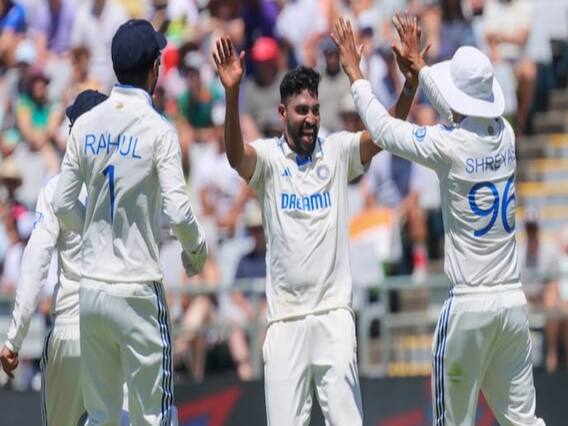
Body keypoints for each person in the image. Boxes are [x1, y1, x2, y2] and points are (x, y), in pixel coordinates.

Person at [332, 13, 545, 426]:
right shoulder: (506, 135)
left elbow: (383, 130)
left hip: (469, 307)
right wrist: (420, 69)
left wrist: (355, 74)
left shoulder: (449, 146)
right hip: (512, 304)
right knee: (525, 422)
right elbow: (459, 109)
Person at [211, 30, 422, 425]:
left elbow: (386, 134)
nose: (309, 118)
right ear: (282, 113)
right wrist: (233, 93)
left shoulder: (337, 151)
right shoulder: (269, 159)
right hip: (285, 322)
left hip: (333, 316)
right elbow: (236, 156)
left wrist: (410, 86)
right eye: (301, 110)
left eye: (314, 110)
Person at [52, 19, 207, 425]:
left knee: (101, 416)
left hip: (92, 290)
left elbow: (64, 203)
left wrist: (94, 232)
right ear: (155, 67)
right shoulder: (158, 129)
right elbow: (179, 212)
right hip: (138, 289)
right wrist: (197, 252)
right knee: (154, 416)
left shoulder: (86, 125)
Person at [0, 89, 107, 426]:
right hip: (117, 330)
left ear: (74, 130)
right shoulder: (128, 185)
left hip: (71, 331)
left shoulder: (55, 189)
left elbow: (35, 265)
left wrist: (14, 339)